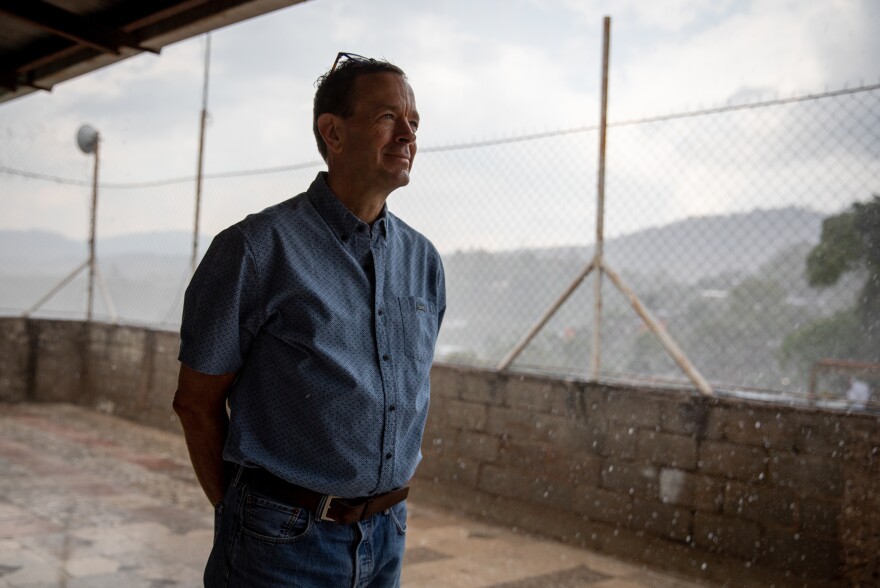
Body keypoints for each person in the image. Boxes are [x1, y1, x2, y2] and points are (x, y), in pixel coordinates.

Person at [172, 52, 445, 588]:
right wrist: (241, 512)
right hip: (280, 545)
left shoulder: (424, 262)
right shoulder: (255, 250)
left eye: (413, 122)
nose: (408, 135)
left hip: (388, 535)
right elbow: (195, 402)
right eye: (388, 117)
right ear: (333, 133)